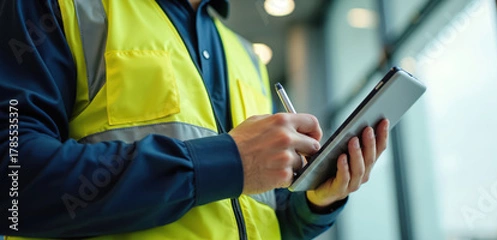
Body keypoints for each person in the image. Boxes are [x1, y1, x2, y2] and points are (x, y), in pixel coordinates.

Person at [0, 0, 389, 239]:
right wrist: (228, 162)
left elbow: (257, 222)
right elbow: (13, 184)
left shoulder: (245, 55)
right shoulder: (57, 7)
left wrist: (313, 205)